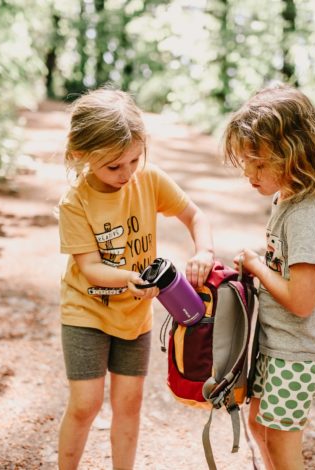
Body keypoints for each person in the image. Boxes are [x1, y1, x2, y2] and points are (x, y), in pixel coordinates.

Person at [56, 87, 214, 470]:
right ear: (81, 154)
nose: (127, 173)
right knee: (85, 404)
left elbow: (195, 216)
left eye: (134, 160)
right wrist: (129, 278)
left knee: (129, 404)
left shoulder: (148, 179)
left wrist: (204, 251)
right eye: (114, 166)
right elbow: (90, 267)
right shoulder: (75, 203)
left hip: (135, 319)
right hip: (86, 312)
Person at [222, 83, 315, 470]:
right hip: (279, 342)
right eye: (247, 162)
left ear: (294, 155)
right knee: (260, 425)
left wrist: (257, 265)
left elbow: (302, 300)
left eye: (259, 164)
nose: (249, 174)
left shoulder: (306, 215)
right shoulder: (286, 199)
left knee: (280, 435)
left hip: (298, 351)